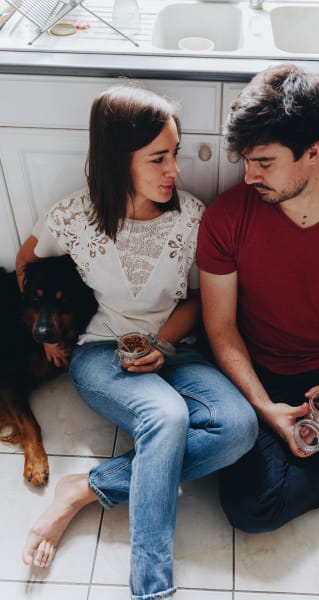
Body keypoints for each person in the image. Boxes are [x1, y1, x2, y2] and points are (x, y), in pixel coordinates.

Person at [18, 83, 258, 600]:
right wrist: (48, 335)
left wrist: (164, 345)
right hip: (102, 354)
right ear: (118, 160)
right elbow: (27, 264)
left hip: (177, 349)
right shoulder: (72, 218)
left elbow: (202, 300)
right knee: (166, 417)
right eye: (158, 158)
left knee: (239, 427)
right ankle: (152, 589)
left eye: (174, 153)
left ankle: (85, 488)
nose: (175, 169)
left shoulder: (193, 217)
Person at [197, 64, 319, 536]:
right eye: (245, 160)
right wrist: (263, 406)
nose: (248, 176)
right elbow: (220, 326)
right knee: (252, 510)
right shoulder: (227, 217)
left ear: (313, 151)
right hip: (258, 373)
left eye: (264, 162)